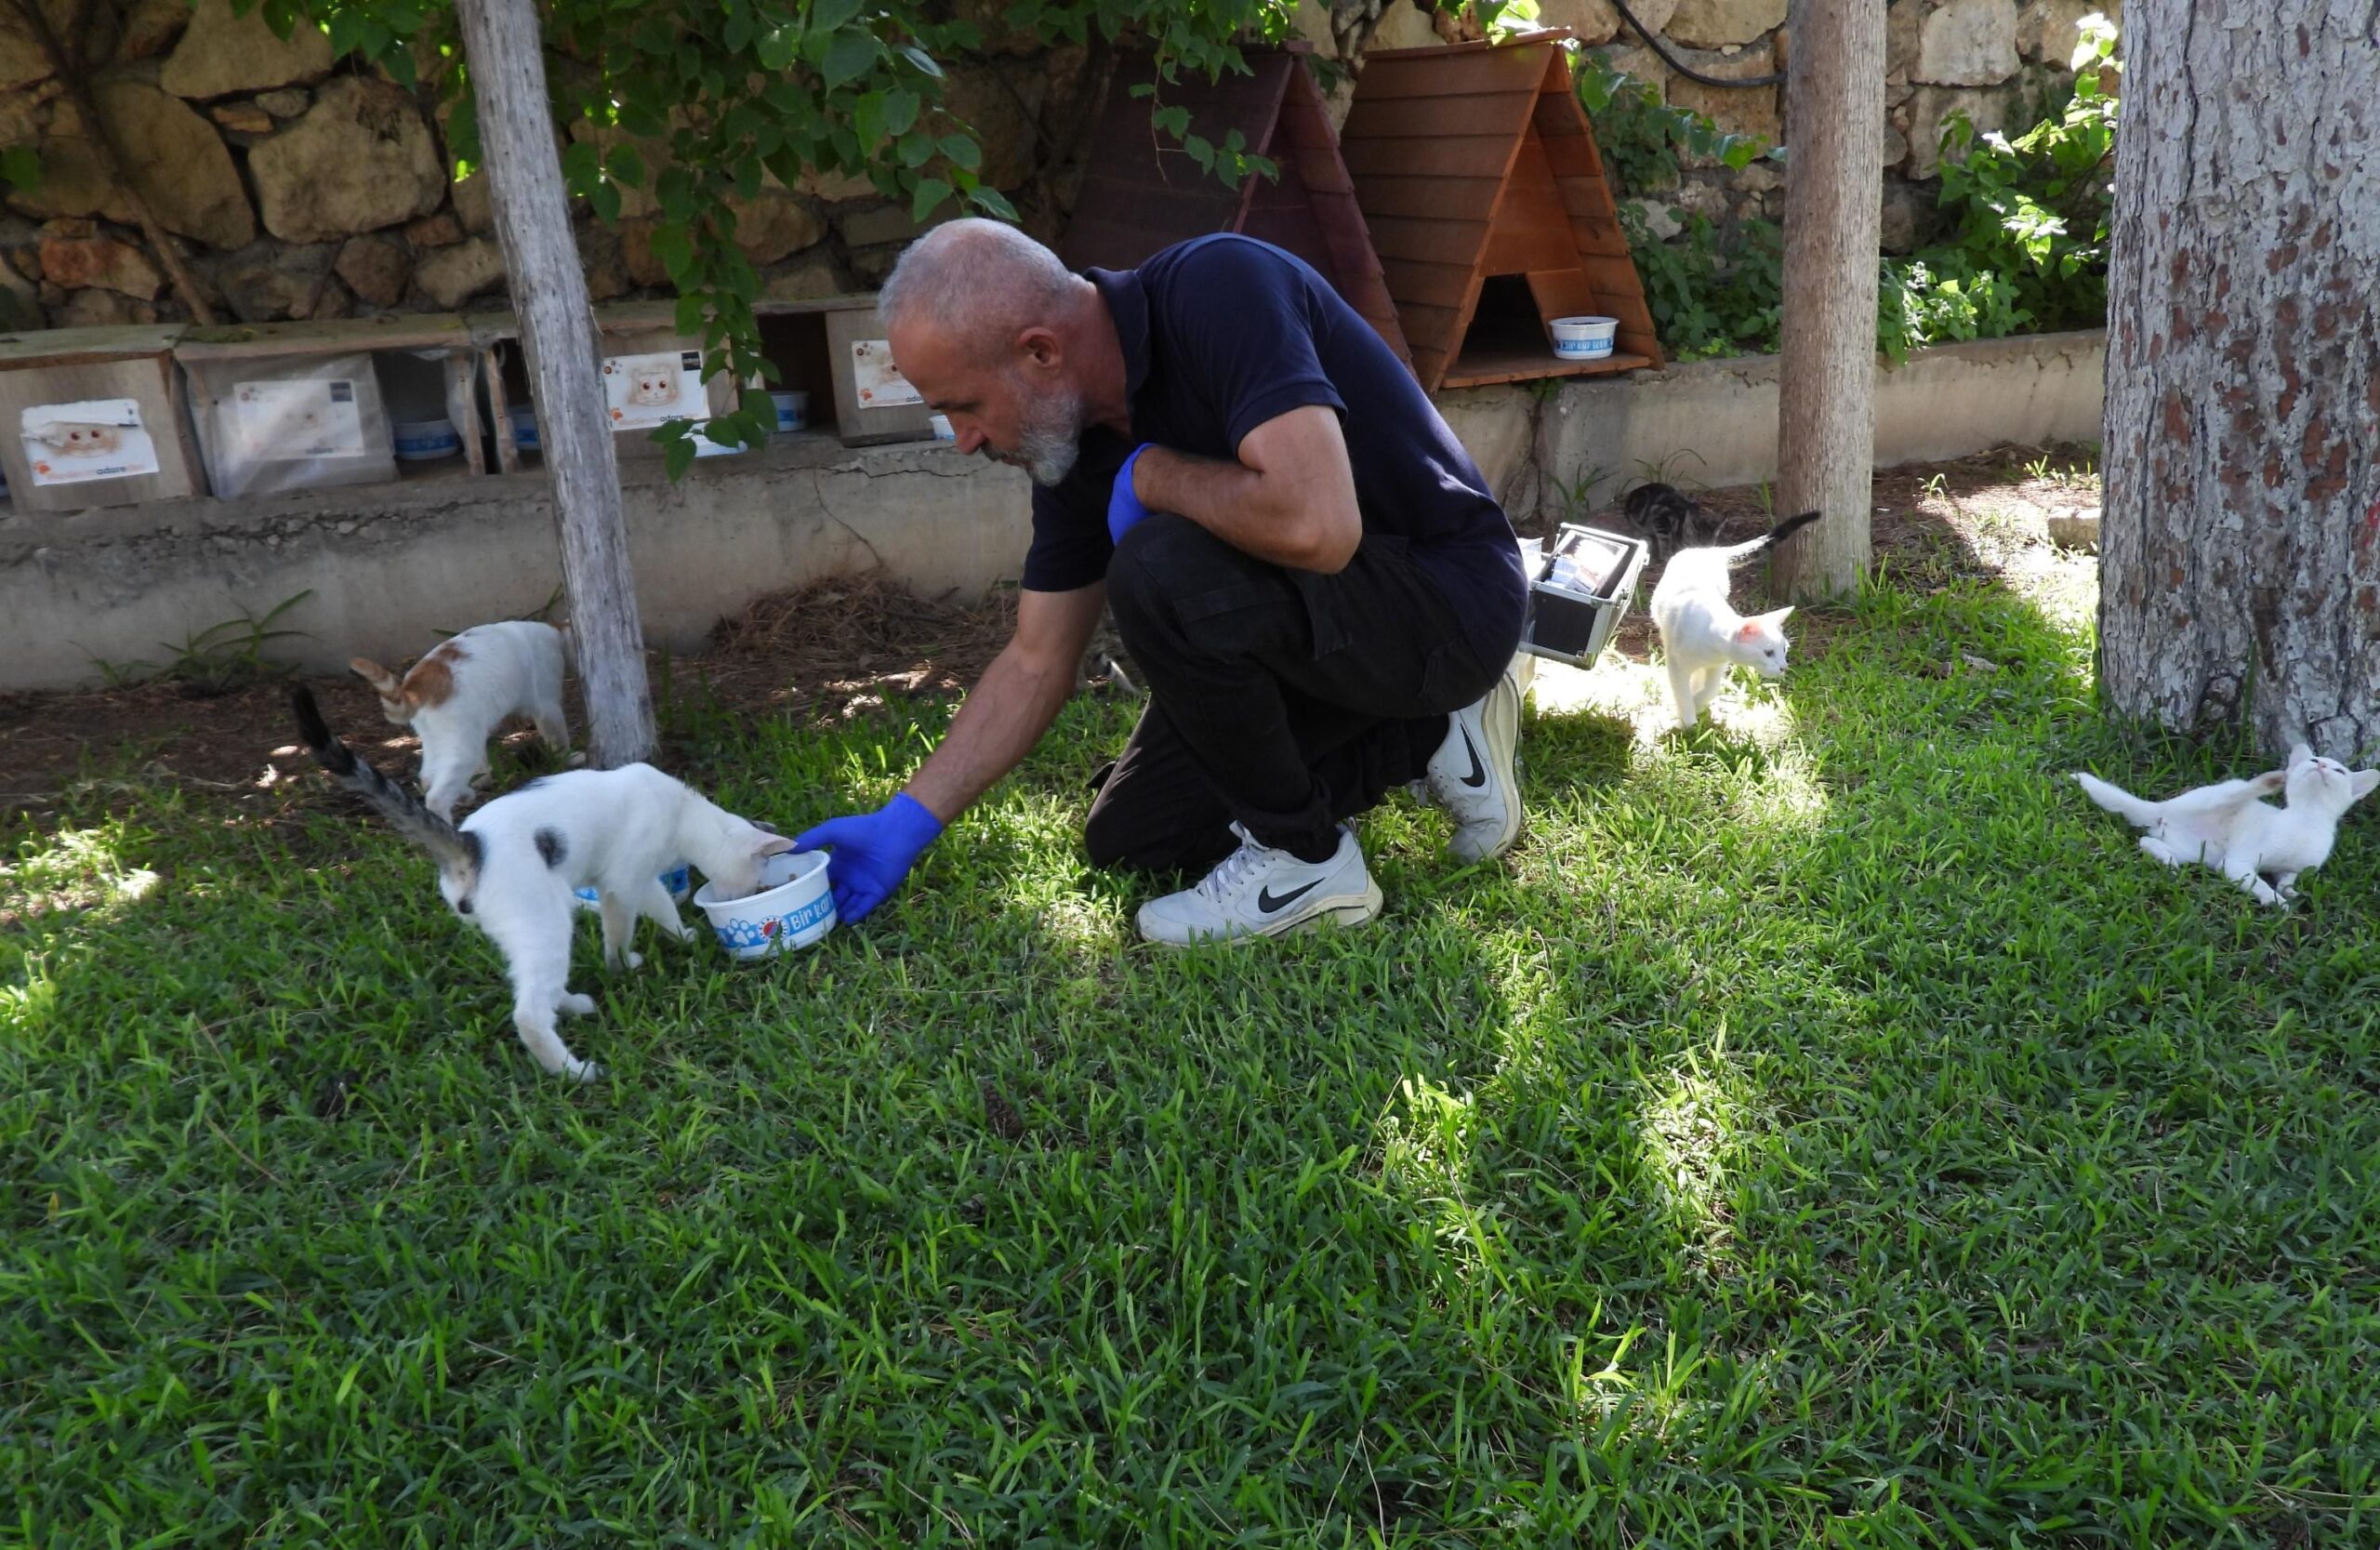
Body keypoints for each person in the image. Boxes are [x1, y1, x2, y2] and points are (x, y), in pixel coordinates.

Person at [793, 220, 1528, 945]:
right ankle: (1430, 731)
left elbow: (1321, 528)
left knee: (1156, 564)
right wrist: (907, 819)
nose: (964, 439)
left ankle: (1305, 861)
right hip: (1328, 632)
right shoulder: (1070, 447)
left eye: (965, 405)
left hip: (1448, 602)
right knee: (1137, 836)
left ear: (1041, 352)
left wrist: (1152, 473)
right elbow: (1036, 658)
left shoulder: (1220, 289)